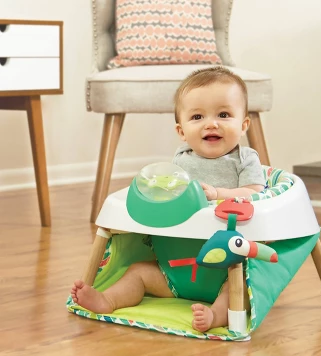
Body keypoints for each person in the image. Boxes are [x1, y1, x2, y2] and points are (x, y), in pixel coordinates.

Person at [71, 66, 265, 332]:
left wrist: (219, 194)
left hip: (225, 271)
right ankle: (108, 300)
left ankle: (215, 316)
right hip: (175, 270)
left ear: (243, 125)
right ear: (182, 131)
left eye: (223, 114)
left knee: (239, 287)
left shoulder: (245, 159)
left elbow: (256, 193)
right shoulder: (180, 160)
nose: (211, 123)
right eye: (197, 116)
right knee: (139, 272)